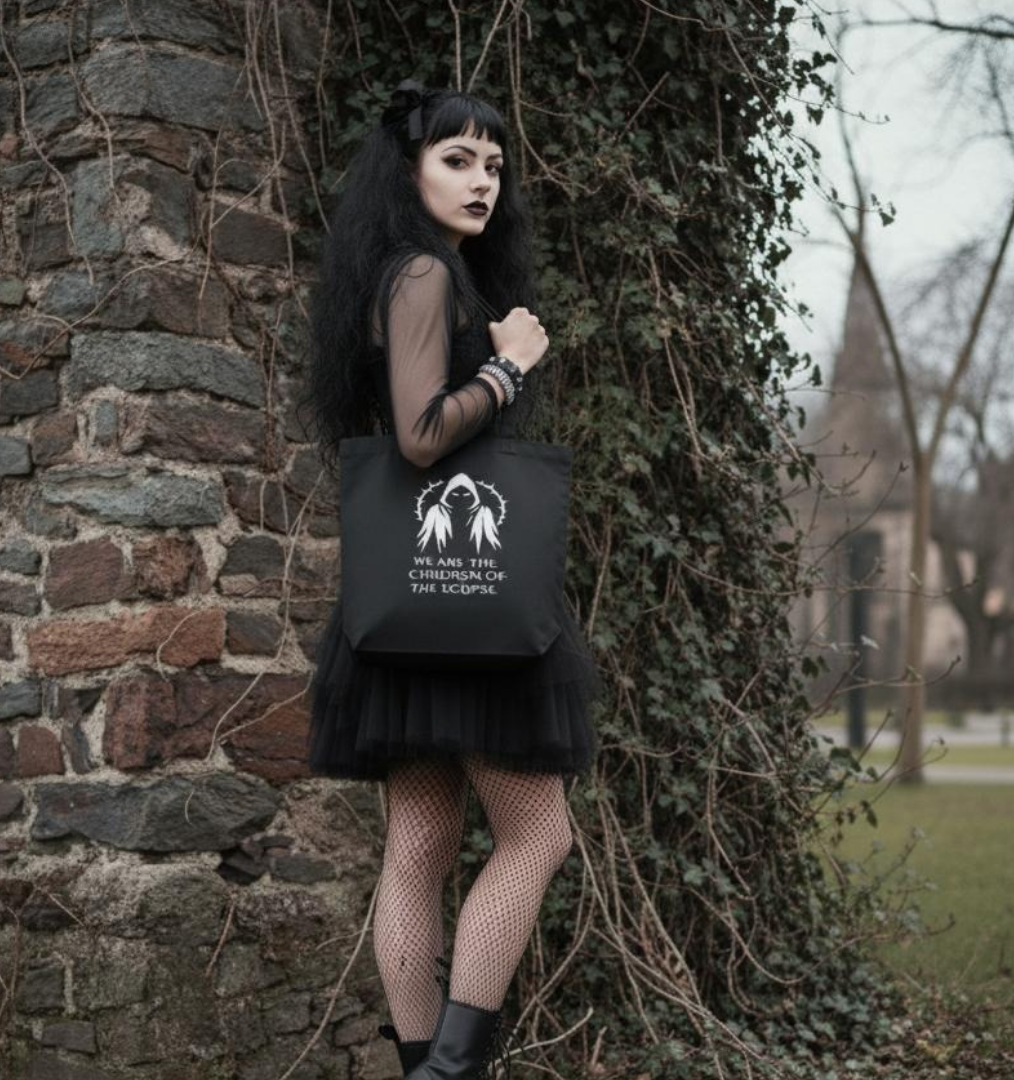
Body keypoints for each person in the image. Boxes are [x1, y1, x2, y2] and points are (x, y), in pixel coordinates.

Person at [302, 78, 604, 1078]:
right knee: (539, 834)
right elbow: (422, 436)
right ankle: (450, 1071)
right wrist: (509, 368)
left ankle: (424, 1063)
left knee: (421, 846)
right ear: (410, 167)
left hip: (410, 609)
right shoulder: (424, 277)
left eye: (494, 164)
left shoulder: (411, 274)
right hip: (474, 612)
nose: (482, 180)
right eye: (456, 158)